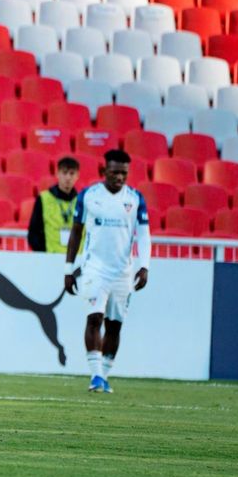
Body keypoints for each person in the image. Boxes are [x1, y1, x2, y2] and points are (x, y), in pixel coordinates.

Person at [64, 149, 150, 393]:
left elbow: (144, 235)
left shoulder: (135, 199)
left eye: (123, 173)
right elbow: (76, 232)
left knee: (114, 325)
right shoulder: (89, 196)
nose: (119, 177)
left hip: (123, 272)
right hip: (94, 269)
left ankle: (104, 374)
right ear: (104, 171)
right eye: (114, 172)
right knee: (94, 318)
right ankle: (96, 375)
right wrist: (68, 269)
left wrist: (144, 266)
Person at [26, 156, 80, 254]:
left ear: (77, 176)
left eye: (72, 173)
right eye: (64, 173)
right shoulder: (43, 199)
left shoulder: (82, 201)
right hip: (51, 258)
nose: (68, 177)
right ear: (57, 174)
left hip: (76, 259)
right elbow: (33, 233)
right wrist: (45, 254)